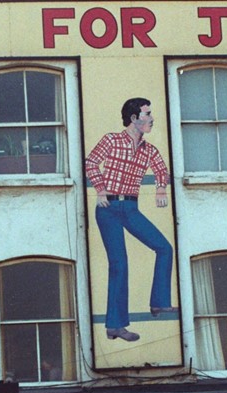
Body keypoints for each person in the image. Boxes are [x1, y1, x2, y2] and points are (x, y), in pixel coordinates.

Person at [84, 97, 173, 343]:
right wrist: (100, 190)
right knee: (119, 264)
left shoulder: (149, 149)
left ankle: (159, 303)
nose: (152, 119)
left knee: (164, 248)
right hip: (109, 207)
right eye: (147, 114)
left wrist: (160, 188)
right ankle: (115, 326)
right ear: (134, 118)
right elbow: (91, 162)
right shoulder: (112, 140)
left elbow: (161, 170)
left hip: (131, 207)